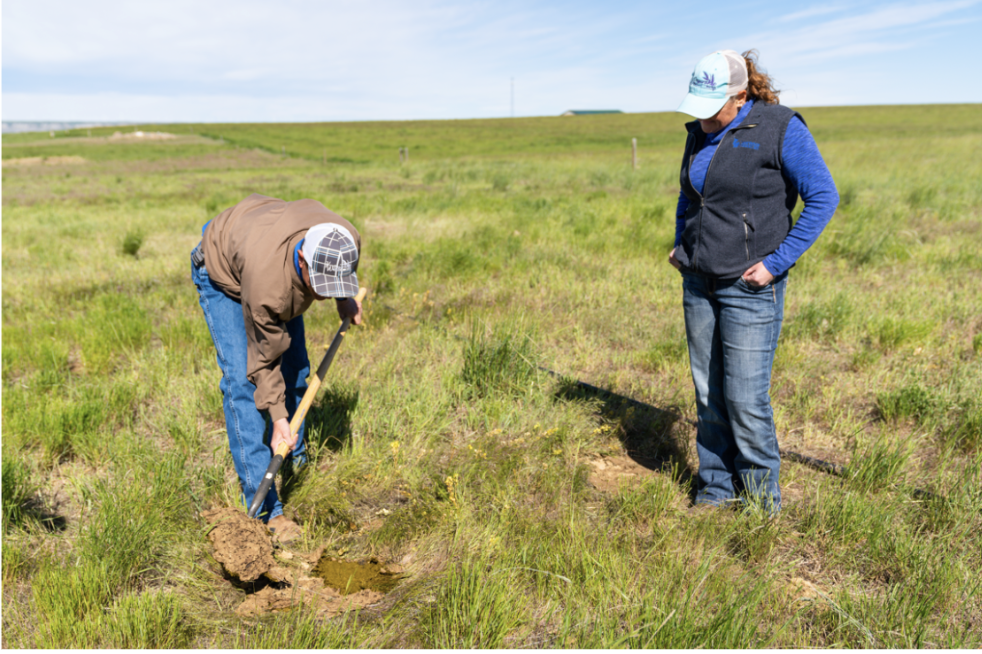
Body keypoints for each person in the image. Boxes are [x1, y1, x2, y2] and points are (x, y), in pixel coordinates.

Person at [669, 50, 838, 513]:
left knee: (745, 398)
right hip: (698, 281)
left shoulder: (779, 127)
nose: (703, 119)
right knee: (708, 393)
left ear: (741, 95)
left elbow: (823, 197)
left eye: (713, 108)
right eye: (697, 107)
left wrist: (774, 264)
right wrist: (679, 243)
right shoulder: (697, 135)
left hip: (750, 287)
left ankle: (762, 504)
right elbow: (691, 198)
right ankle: (717, 489)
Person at [190, 194, 363, 542]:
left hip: (262, 245)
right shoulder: (269, 285)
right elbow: (263, 361)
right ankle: (267, 510)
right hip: (224, 268)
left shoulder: (346, 236)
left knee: (297, 367)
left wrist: (345, 297)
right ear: (302, 258)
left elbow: (339, 271)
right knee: (243, 384)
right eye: (323, 288)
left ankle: (293, 456)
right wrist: (278, 419)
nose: (326, 297)